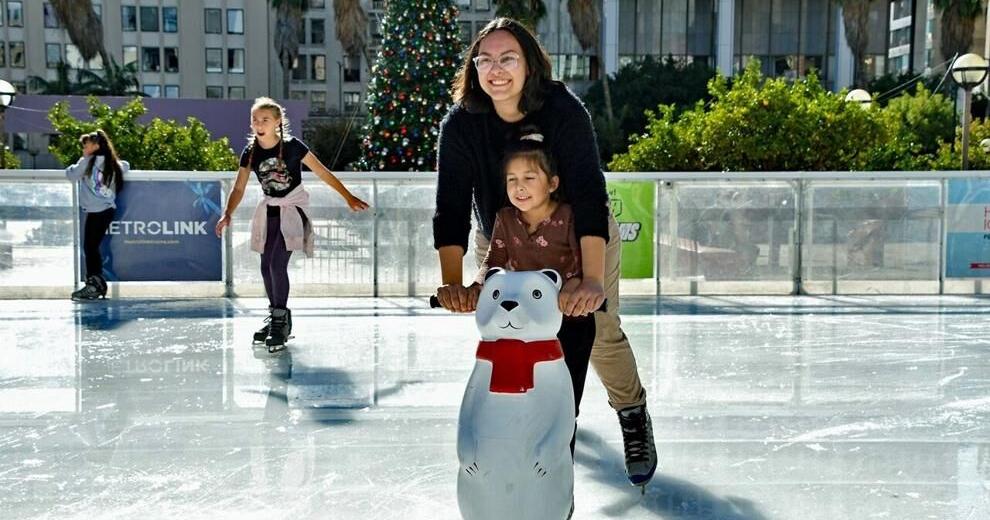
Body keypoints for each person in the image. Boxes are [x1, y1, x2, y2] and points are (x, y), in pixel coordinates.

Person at [433, 17, 658, 487]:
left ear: (530, 65)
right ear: (474, 69)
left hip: (578, 231)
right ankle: (519, 452)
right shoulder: (461, 123)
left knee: (597, 328)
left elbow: (590, 195)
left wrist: (591, 281)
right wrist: (454, 284)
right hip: (502, 233)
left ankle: (632, 413)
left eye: (508, 58)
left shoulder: (561, 109)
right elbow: (450, 206)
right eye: (485, 60)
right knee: (511, 332)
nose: (496, 70)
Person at [473, 128, 596, 456]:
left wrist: (572, 288)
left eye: (529, 177)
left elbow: (582, 267)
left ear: (552, 183)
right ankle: (519, 463)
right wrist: (477, 287)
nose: (519, 187)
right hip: (527, 327)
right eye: (511, 179)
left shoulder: (569, 217)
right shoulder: (505, 218)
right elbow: (493, 261)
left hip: (571, 323)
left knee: (564, 400)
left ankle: (560, 470)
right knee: (524, 400)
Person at [215, 97, 369, 352]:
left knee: (277, 262)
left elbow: (322, 172)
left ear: (277, 122)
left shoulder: (293, 146)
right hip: (270, 211)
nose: (259, 124)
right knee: (266, 266)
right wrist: (227, 213)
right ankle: (277, 319)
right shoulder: (250, 152)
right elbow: (239, 187)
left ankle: (280, 322)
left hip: (293, 209)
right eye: (255, 119)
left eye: (265, 119)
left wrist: (348, 196)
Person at [66, 129, 128, 301]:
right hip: (107, 210)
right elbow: (126, 166)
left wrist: (77, 163)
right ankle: (96, 283)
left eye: (86, 146)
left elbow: (71, 175)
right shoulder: (112, 163)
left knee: (90, 248)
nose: (84, 150)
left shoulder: (86, 162)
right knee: (93, 247)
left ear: (96, 146)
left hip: (95, 211)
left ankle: (94, 285)